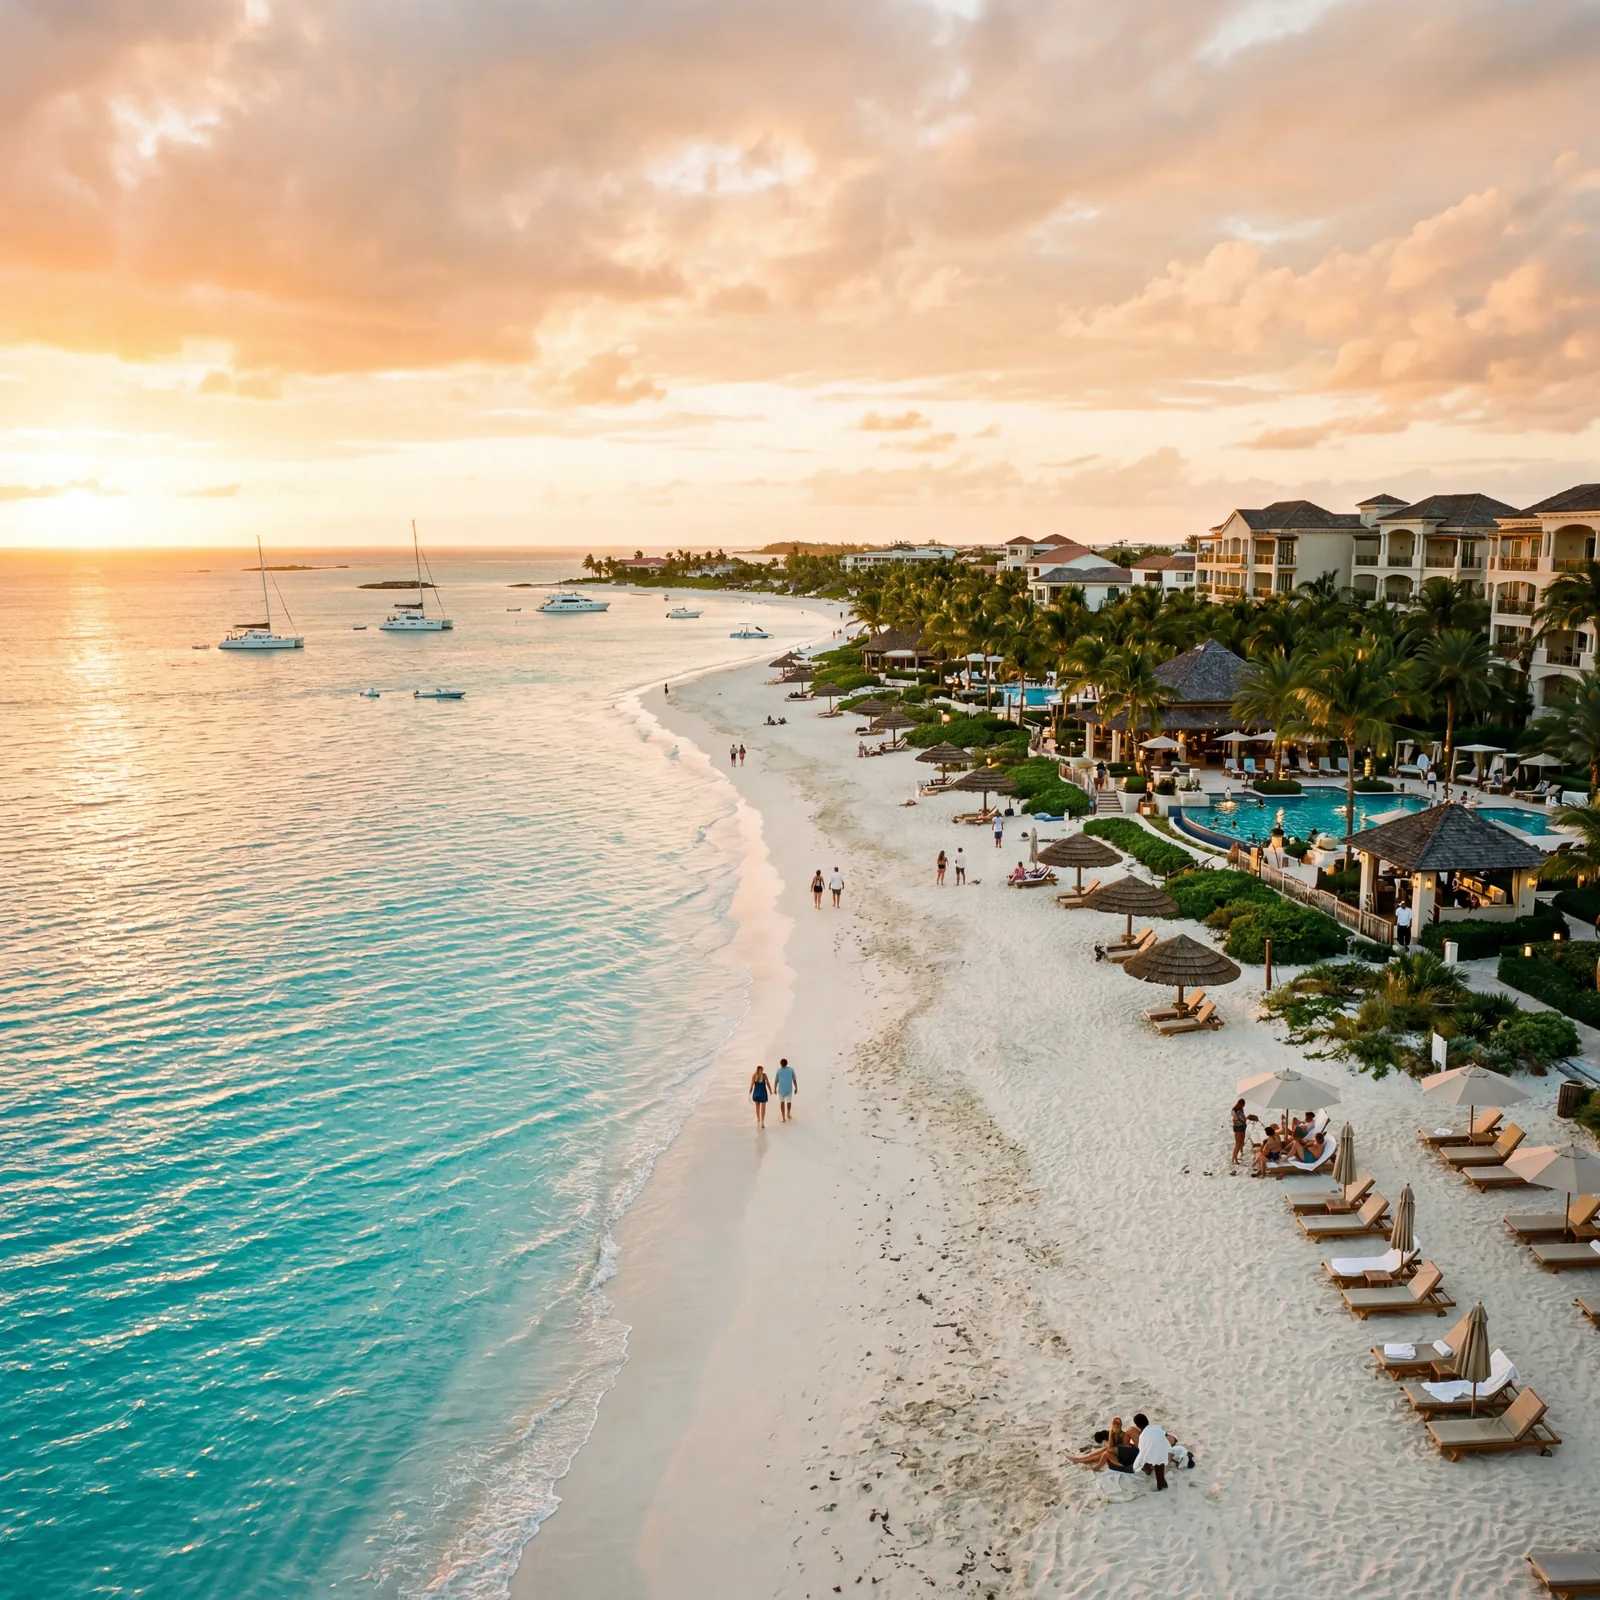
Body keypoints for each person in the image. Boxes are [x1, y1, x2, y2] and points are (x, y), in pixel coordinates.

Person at [1131, 1413, 1170, 1491]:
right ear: (1148, 1421)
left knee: (1156, 1464)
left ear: (1137, 1426)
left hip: (1155, 1453)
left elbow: (1141, 1449)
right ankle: (1163, 1481)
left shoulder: (1142, 1435)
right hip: (1164, 1449)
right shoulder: (1157, 1427)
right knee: (1160, 1464)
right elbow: (1165, 1434)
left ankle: (1160, 1484)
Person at [1230, 1099, 1249, 1166]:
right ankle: (1234, 1158)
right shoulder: (1234, 1111)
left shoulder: (1241, 1109)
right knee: (1237, 1144)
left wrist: (1245, 1119)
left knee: (1241, 1142)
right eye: (1243, 1105)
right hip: (1238, 1128)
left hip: (1243, 1126)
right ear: (1240, 1104)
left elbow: (1243, 1117)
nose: (1243, 1107)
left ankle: (1240, 1153)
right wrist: (1240, 1120)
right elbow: (1234, 1121)